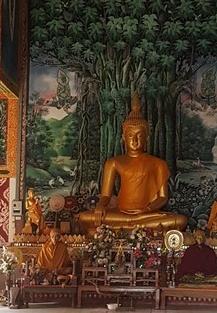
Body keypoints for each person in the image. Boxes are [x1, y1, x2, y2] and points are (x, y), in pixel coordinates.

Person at [76, 94, 187, 234]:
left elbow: (162, 197)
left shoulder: (158, 163)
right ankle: (137, 230)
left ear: (147, 137)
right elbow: (105, 195)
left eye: (139, 135)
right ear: (123, 137)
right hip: (120, 213)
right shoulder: (114, 162)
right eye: (130, 135)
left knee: (180, 220)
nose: (135, 140)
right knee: (84, 217)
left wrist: (146, 210)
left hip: (146, 214)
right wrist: (100, 206)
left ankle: (116, 230)